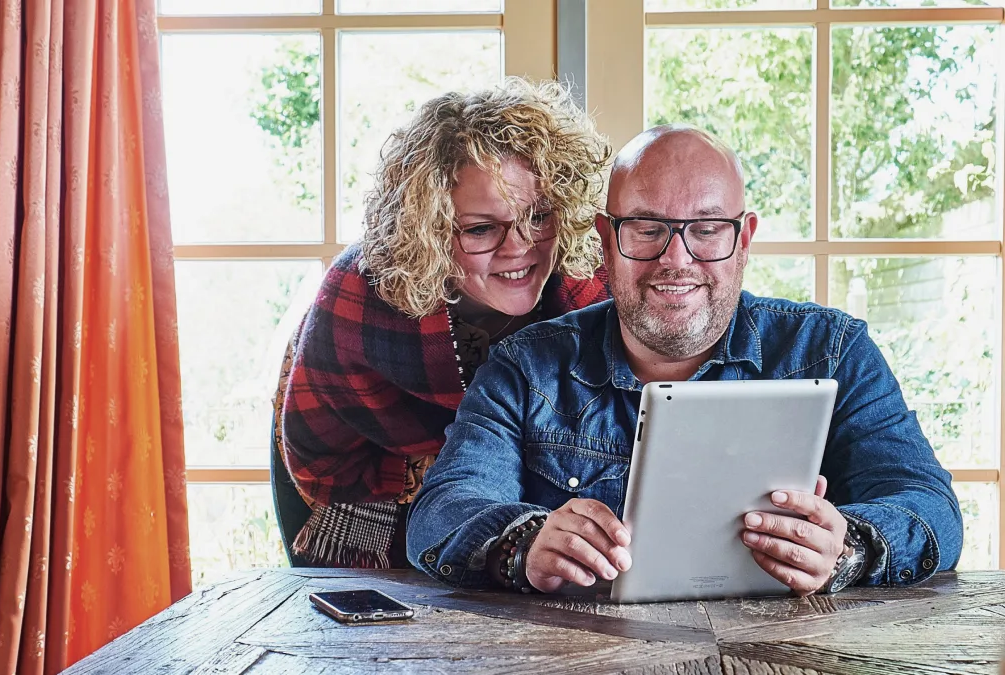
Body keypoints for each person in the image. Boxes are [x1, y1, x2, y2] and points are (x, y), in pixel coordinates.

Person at [406, 124, 963, 596]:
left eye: (707, 228)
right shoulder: (525, 367)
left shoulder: (832, 351)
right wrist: (523, 543)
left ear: (744, 238)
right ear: (606, 239)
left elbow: (930, 506)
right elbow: (441, 510)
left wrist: (849, 548)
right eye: (647, 228)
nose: (677, 259)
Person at [279, 78, 614, 568]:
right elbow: (319, 447)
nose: (519, 247)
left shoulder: (594, 283)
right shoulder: (357, 295)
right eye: (481, 229)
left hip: (554, 499)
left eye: (539, 217)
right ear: (429, 232)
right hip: (374, 492)